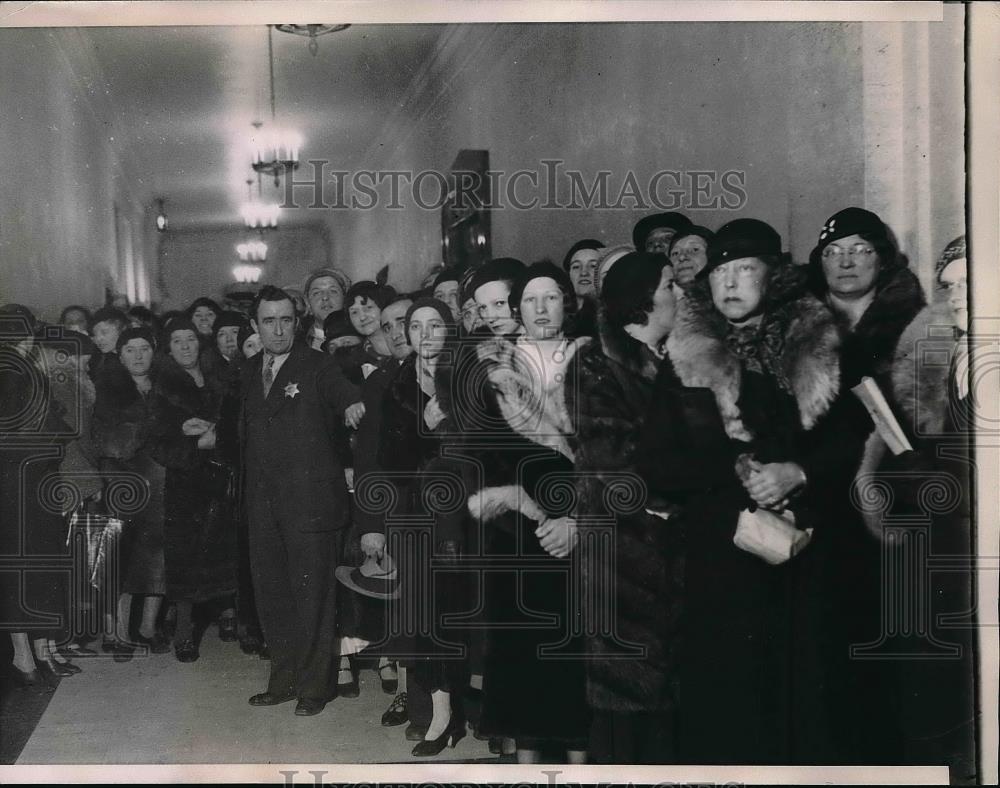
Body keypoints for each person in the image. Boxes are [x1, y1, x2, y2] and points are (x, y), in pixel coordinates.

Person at [637, 218, 863, 764]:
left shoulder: (822, 344)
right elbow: (657, 463)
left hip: (807, 555)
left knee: (804, 701)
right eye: (721, 271)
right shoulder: (685, 358)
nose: (730, 283)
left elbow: (856, 440)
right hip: (721, 556)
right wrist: (735, 473)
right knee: (727, 709)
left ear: (775, 276)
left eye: (746, 269)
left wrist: (799, 473)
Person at [806, 206, 927, 763]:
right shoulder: (799, 325)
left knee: (885, 650)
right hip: (814, 508)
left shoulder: (912, 326)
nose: (845, 261)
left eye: (859, 249)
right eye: (833, 251)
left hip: (887, 509)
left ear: (883, 257)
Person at [565, 252, 686, 763]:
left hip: (667, 554)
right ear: (643, 299)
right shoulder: (594, 363)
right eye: (670, 286)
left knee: (666, 706)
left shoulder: (673, 361)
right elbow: (612, 466)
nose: (679, 295)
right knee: (627, 709)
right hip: (624, 559)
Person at [241, 286, 359, 716]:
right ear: (255, 325)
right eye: (268, 321)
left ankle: (314, 689)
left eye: (286, 320)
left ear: (298, 322)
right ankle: (283, 680)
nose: (277, 329)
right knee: (273, 597)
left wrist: (354, 406)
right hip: (263, 508)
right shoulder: (249, 370)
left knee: (313, 601)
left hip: (310, 507)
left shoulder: (317, 365)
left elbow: (342, 391)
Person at [888, 235, 976, 779]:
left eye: (970, 282)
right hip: (954, 537)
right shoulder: (959, 351)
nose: (958, 295)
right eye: (950, 286)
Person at [378, 297, 471, 757]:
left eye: (436, 324)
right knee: (424, 619)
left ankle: (463, 709)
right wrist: (424, 425)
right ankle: (440, 712)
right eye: (417, 326)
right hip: (416, 519)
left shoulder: (470, 377)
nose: (426, 333)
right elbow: (388, 462)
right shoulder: (394, 384)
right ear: (408, 335)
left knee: (461, 615)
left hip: (465, 518)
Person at [0, 305, 77, 689]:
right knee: (37, 564)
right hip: (29, 482)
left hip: (18, 483)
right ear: (29, 337)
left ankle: (29, 655)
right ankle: (32, 654)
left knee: (21, 566)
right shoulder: (24, 372)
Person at [157, 319, 239, 662]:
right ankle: (185, 631)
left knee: (225, 546)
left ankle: (231, 616)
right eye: (177, 341)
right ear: (169, 348)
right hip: (184, 481)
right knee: (186, 554)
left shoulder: (219, 378)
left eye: (190, 339)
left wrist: (213, 434)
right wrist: (196, 442)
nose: (186, 346)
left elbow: (235, 422)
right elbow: (159, 441)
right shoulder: (161, 386)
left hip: (221, 477)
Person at [91, 326, 173, 661]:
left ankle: (148, 628)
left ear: (154, 352)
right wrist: (150, 427)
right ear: (119, 354)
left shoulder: (167, 386)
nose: (138, 356)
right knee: (122, 555)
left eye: (144, 349)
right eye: (130, 350)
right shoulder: (108, 389)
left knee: (159, 552)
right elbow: (111, 443)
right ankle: (119, 632)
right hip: (121, 482)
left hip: (161, 478)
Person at [302, 267, 352, 351]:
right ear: (307, 303)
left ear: (345, 298)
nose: (325, 297)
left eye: (333, 291)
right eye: (317, 293)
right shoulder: (299, 344)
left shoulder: (359, 339)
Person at [562, 239, 605, 337]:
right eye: (576, 267)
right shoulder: (558, 318)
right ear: (569, 275)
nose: (584, 272)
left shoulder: (617, 319)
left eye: (593, 266)